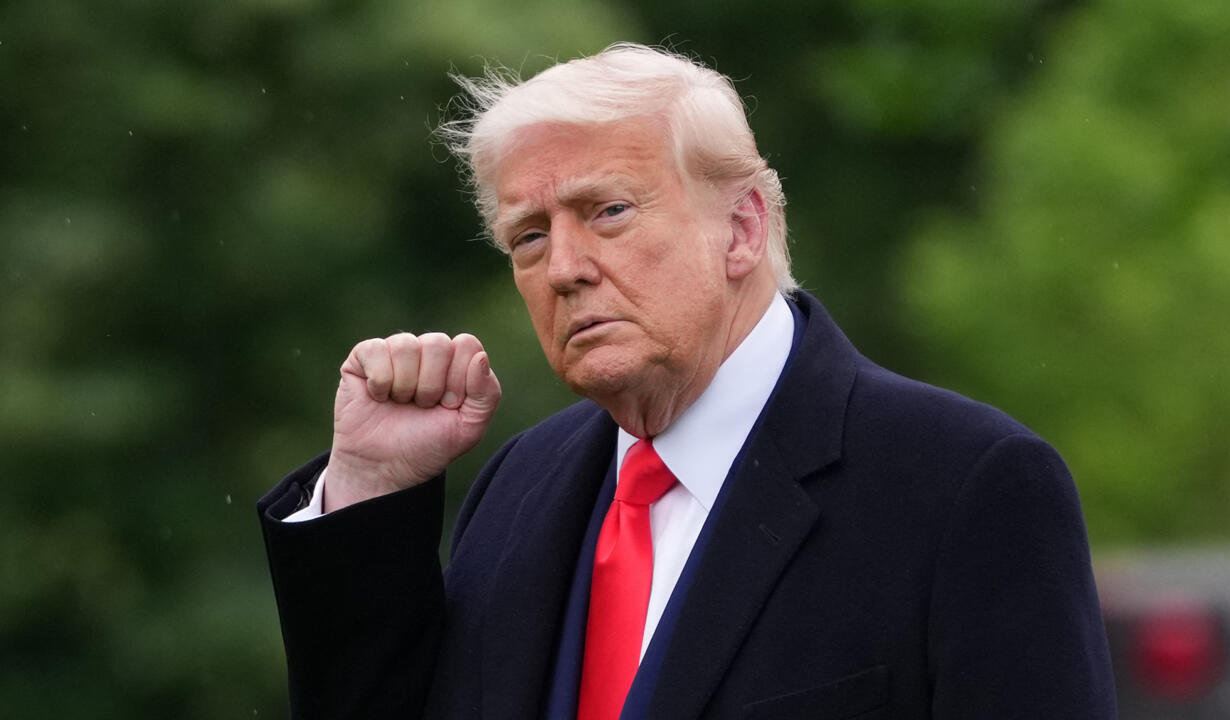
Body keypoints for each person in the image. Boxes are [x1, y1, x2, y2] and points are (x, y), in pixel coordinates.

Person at [259, 43, 1117, 720]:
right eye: (528, 236)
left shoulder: (964, 484)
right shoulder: (517, 488)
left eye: (609, 212)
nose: (563, 268)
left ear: (742, 227)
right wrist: (371, 488)